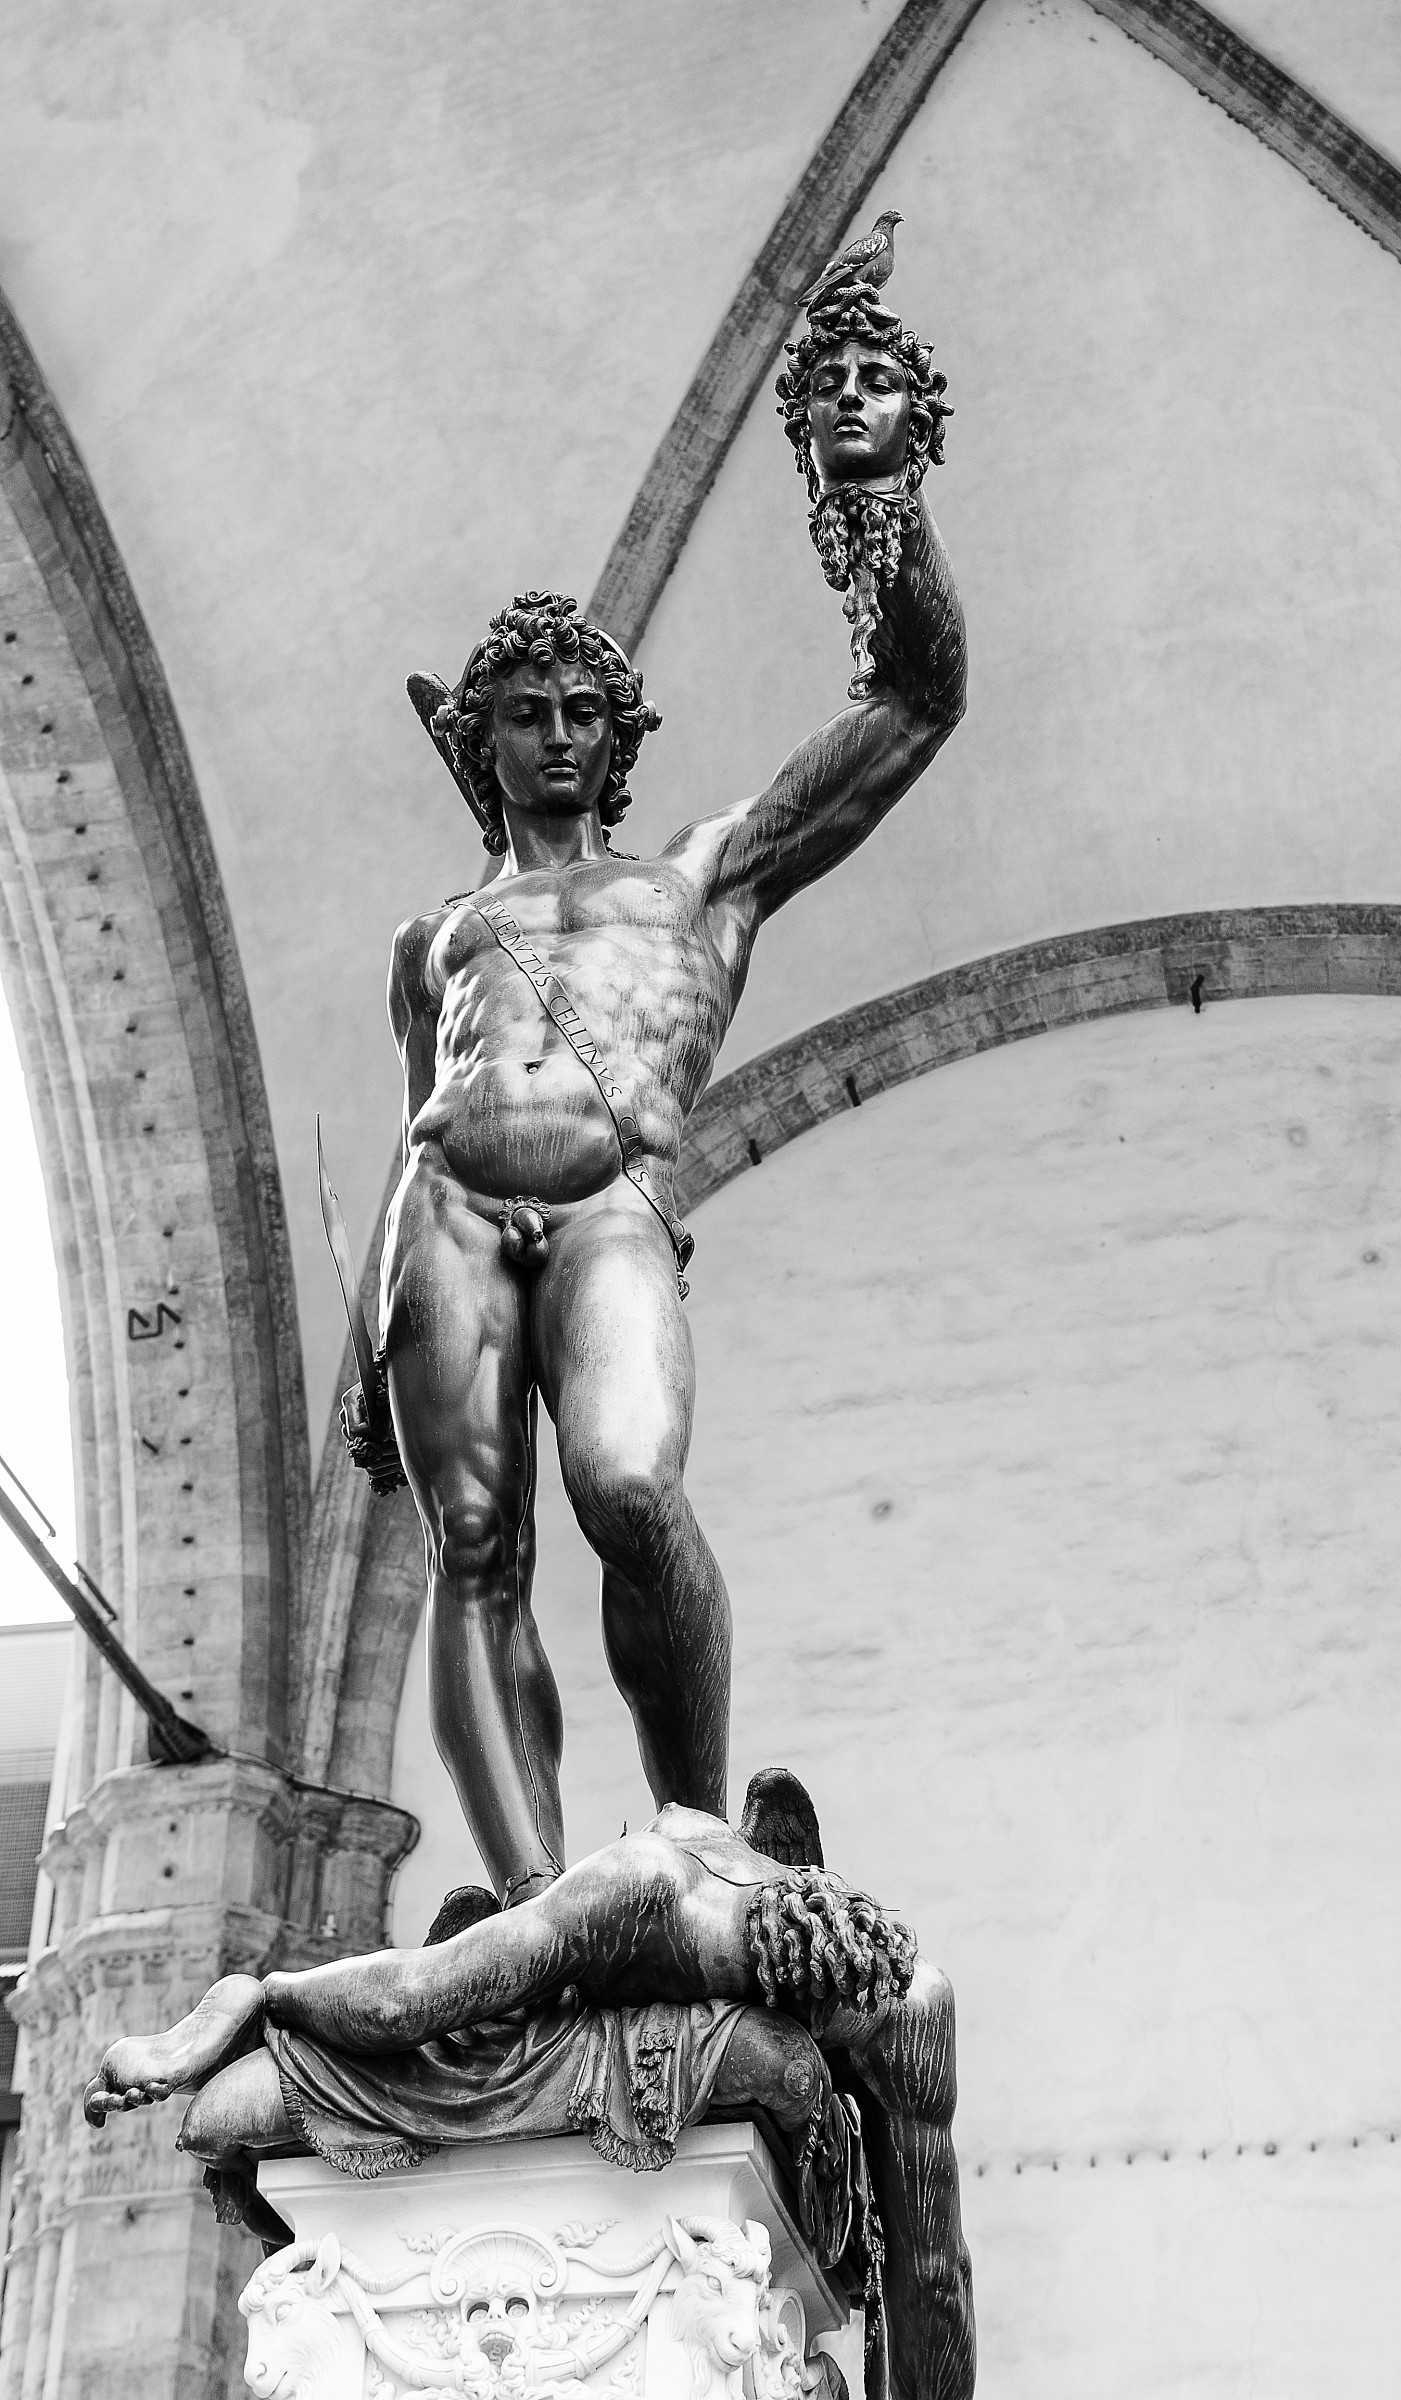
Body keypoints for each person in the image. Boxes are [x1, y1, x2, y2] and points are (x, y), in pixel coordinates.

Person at [344, 300, 966, 1906]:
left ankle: (693, 1827)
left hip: (614, 1193)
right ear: (475, 741)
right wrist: (363, 1352)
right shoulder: (433, 937)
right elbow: (422, 1094)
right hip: (449, 1212)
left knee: (626, 1485)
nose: (554, 734)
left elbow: (911, 703)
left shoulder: (700, 874)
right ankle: (539, 1896)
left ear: (618, 740)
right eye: (521, 713)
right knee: (474, 1560)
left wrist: (878, 490)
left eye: (579, 712)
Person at [85, 1790, 974, 2400]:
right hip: (521, 2003)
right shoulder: (650, 1892)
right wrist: (260, 2001)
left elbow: (935, 2273)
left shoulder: (911, 2009)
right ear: (762, 1977)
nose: (830, 2060)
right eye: (823, 2032)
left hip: (622, 2021)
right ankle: (258, 1994)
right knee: (755, 2061)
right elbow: (413, 1995)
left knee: (780, 2071)